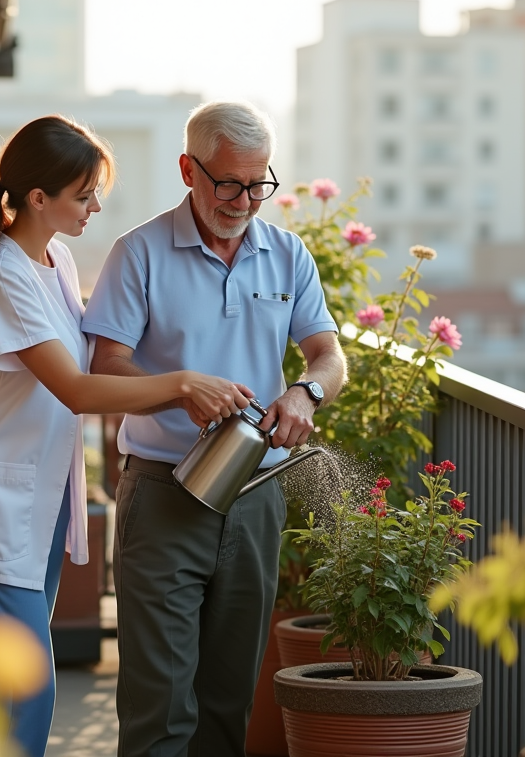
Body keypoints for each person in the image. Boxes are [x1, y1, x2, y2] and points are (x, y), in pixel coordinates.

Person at [0, 115, 252, 757]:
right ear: (39, 198)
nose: (96, 207)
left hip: (34, 502)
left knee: (14, 685)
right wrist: (182, 382)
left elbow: (96, 352)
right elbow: (76, 388)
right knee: (22, 689)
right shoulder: (3, 276)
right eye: (84, 195)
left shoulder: (56, 260)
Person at [80, 100, 348, 756]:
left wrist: (306, 394)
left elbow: (328, 355)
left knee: (228, 705)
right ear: (187, 171)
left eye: (259, 183)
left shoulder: (287, 254)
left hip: (254, 499)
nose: (245, 199)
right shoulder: (137, 253)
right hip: (164, 492)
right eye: (229, 182)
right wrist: (179, 393)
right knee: (161, 706)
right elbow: (106, 364)